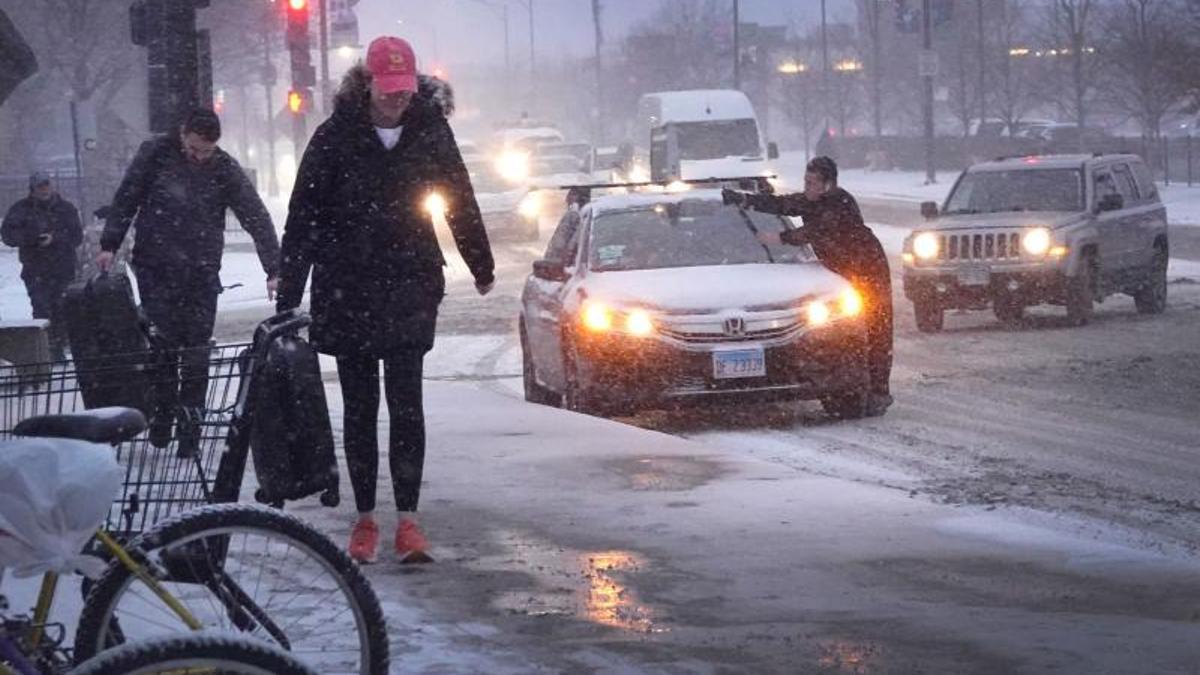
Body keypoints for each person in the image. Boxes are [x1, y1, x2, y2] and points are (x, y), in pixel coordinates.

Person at [275, 36, 495, 564]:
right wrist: (289, 289)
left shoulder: (430, 131)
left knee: (407, 405)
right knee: (358, 407)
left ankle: (410, 521)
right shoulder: (334, 137)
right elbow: (302, 217)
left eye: (403, 90)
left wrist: (480, 264)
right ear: (367, 83)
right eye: (387, 89)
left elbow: (459, 198)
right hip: (346, 285)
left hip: (408, 281)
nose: (395, 99)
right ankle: (366, 519)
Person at [98, 108, 281, 454]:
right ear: (183, 135)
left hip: (200, 271)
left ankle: (189, 433)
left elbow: (254, 214)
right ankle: (163, 419)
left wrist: (274, 267)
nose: (199, 157)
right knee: (163, 348)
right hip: (156, 267)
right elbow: (127, 198)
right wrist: (110, 243)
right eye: (194, 149)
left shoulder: (223, 168)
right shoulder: (155, 155)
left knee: (197, 353)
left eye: (207, 151)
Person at [723, 156, 894, 416]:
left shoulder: (840, 203)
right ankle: (862, 385)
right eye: (805, 181)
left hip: (868, 267)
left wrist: (777, 238)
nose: (807, 187)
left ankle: (878, 391)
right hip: (842, 268)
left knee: (875, 327)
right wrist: (745, 199)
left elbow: (815, 232)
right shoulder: (811, 200)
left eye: (812, 182)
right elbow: (783, 204)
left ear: (828, 184)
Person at [1, 172, 82, 360]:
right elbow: (7, 235)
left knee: (61, 309)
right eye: (40, 186)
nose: (44, 189)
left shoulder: (66, 209)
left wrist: (55, 239)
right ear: (33, 188)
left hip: (63, 268)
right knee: (41, 309)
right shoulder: (21, 210)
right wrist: (32, 239)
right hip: (35, 268)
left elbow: (76, 236)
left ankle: (58, 347)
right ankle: (47, 349)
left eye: (46, 185)